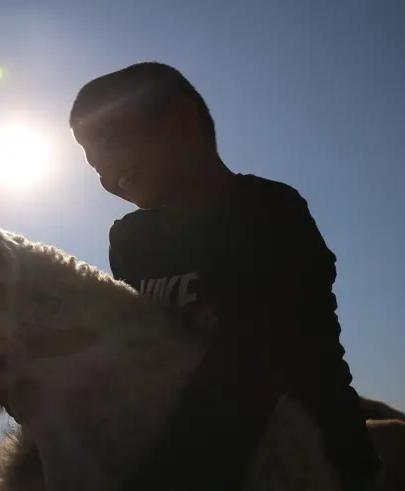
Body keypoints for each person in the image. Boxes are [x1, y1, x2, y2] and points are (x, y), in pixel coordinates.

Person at [61, 61, 381, 490]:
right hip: (206, 462)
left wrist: (164, 477)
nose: (100, 168)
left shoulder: (269, 209)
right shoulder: (132, 240)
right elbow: (132, 344)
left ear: (180, 120)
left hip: (317, 461)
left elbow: (259, 352)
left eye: (107, 139)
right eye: (89, 160)